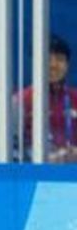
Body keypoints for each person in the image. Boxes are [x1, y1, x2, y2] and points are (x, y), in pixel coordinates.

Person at [13, 35, 77, 163]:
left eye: (60, 59)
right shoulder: (20, 100)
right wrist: (37, 158)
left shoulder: (75, 98)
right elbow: (11, 148)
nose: (53, 65)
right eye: (47, 59)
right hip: (34, 174)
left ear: (67, 65)